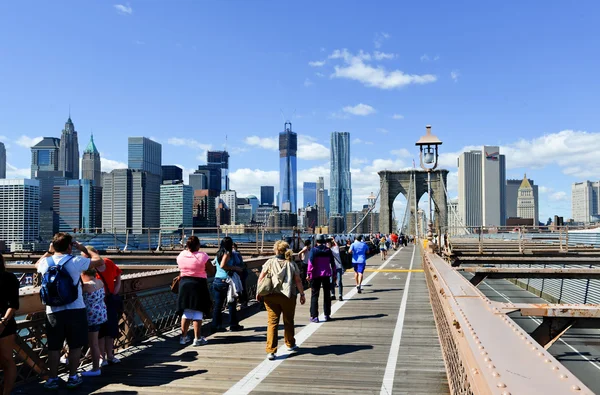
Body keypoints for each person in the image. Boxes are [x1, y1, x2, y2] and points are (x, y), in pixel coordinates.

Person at [35, 232, 105, 390]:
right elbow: (98, 261)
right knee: (75, 345)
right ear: (69, 246)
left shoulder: (46, 262)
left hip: (52, 311)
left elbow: (36, 264)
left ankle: (52, 379)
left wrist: (49, 251)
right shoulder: (76, 261)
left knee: (53, 347)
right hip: (75, 309)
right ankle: (72, 377)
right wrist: (83, 248)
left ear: (54, 246)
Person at [257, 241, 306, 360]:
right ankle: (290, 343)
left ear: (276, 250)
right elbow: (298, 280)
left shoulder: (269, 262)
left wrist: (258, 292)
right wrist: (302, 294)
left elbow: (261, 278)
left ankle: (271, 351)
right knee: (288, 320)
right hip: (288, 296)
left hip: (271, 296)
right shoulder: (291, 263)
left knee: (272, 322)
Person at [84, 246, 122, 367]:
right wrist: (116, 289)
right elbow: (119, 274)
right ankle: (107, 356)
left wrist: (115, 290)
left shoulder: (88, 267)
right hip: (104, 302)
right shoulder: (108, 262)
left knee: (102, 332)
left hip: (97, 304)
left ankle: (103, 357)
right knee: (107, 331)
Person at [177, 236, 213, 346]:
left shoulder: (181, 255)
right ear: (198, 245)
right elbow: (211, 270)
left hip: (184, 284)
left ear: (187, 245)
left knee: (186, 311)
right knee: (198, 310)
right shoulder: (203, 256)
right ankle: (197, 338)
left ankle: (183, 338)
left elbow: (180, 267)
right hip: (198, 284)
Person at [212, 237, 244, 332]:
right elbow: (223, 265)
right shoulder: (227, 253)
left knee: (218, 305)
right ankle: (233, 324)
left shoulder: (218, 253)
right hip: (226, 280)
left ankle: (216, 325)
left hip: (217, 279)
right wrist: (234, 268)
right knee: (231, 302)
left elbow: (214, 264)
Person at [81, 268, 107, 377]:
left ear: (83, 273)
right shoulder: (99, 282)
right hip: (101, 314)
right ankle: (103, 359)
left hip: (91, 316)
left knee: (93, 344)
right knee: (99, 339)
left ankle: (96, 368)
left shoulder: (86, 286)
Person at [0, 254, 19, 395]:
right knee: (7, 360)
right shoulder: (10, 277)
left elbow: (13, 304)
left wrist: (3, 321)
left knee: (7, 360)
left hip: (4, 323)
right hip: (5, 323)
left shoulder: (9, 278)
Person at [306, 234, 335, 322]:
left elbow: (310, 263)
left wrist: (308, 274)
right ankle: (327, 315)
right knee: (327, 295)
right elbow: (333, 263)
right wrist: (334, 275)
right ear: (324, 241)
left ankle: (314, 316)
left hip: (315, 275)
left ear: (316, 241)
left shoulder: (313, 250)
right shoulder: (328, 250)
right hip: (326, 274)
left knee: (315, 295)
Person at [232, 243, 248, 307]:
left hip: (238, 272)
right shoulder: (237, 254)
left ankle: (241, 301)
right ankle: (243, 301)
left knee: (238, 288)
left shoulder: (236, 254)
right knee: (242, 287)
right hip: (240, 272)